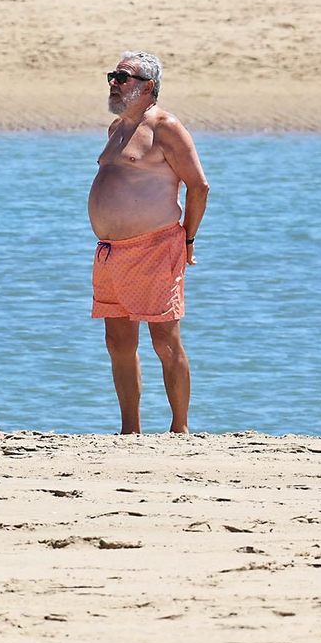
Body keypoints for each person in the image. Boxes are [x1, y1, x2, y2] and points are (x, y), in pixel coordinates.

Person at [90, 52, 209, 434]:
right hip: (111, 252)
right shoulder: (117, 128)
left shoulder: (165, 126)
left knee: (164, 339)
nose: (114, 82)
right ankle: (130, 429)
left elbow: (199, 185)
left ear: (148, 87)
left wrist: (188, 238)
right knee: (117, 342)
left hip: (155, 248)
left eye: (123, 77)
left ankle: (180, 428)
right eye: (113, 76)